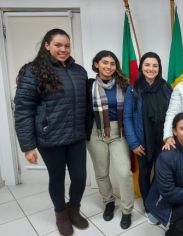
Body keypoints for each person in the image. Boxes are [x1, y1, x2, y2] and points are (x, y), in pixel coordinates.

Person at [14, 28, 88, 236]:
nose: (63, 49)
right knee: (57, 179)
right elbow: (23, 110)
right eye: (58, 45)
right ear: (47, 45)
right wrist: (28, 146)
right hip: (50, 138)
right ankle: (61, 215)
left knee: (80, 177)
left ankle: (74, 209)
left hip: (76, 137)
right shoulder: (33, 71)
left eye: (67, 45)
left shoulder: (79, 71)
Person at [86, 50, 134, 229]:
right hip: (95, 133)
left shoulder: (124, 84)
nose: (108, 66)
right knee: (101, 172)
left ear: (116, 67)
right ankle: (108, 202)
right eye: (104, 62)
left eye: (112, 63)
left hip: (118, 134)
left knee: (124, 173)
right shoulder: (88, 85)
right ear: (96, 64)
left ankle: (127, 210)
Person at [123, 52, 172, 222]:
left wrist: (171, 137)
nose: (151, 69)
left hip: (164, 140)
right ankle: (148, 205)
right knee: (144, 173)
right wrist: (133, 142)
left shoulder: (166, 87)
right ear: (141, 67)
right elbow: (127, 118)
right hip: (143, 141)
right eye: (147, 65)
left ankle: (156, 201)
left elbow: (173, 114)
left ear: (159, 68)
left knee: (160, 174)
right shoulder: (132, 89)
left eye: (155, 65)